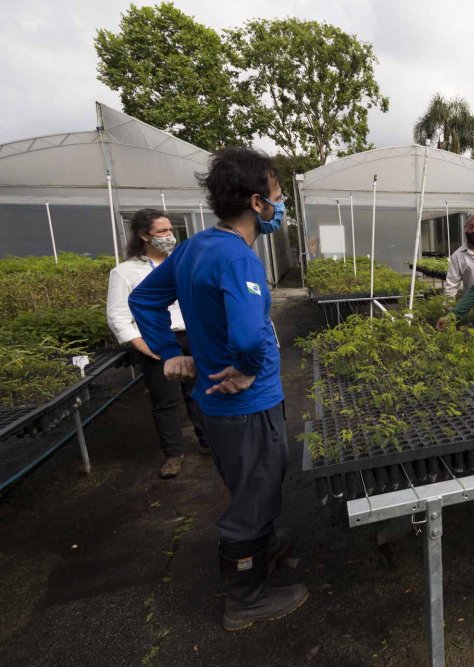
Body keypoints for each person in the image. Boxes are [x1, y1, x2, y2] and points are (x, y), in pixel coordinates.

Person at [129, 147, 306, 631]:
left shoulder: (195, 247)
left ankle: (264, 544)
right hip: (245, 402)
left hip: (213, 403)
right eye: (276, 195)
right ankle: (246, 598)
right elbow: (248, 336)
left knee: (248, 480)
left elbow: (143, 299)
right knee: (256, 488)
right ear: (256, 201)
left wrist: (171, 353)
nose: (280, 204)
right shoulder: (237, 259)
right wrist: (248, 369)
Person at [106, 209, 208, 479]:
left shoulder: (182, 262)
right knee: (165, 401)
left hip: (192, 335)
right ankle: (173, 454)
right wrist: (143, 345)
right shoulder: (125, 272)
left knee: (198, 393)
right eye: (162, 231)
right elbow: (118, 315)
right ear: (143, 235)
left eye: (170, 230)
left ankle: (208, 442)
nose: (169, 236)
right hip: (157, 341)